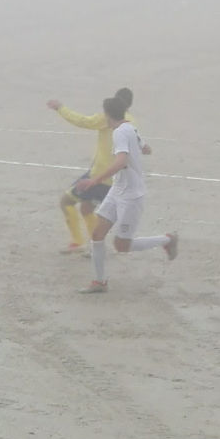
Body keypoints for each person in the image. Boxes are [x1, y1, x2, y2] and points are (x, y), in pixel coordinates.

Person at [75, 97, 178, 293]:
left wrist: (94, 180)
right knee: (97, 235)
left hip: (131, 196)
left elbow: (121, 161)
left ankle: (167, 239)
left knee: (122, 246)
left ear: (107, 114)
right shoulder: (130, 128)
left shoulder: (119, 133)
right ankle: (99, 282)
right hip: (117, 190)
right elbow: (146, 148)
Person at [48, 87, 139, 254]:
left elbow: (83, 121)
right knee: (86, 208)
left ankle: (85, 243)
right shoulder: (131, 122)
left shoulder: (109, 119)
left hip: (100, 176)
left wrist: (60, 108)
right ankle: (91, 245)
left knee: (66, 202)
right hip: (113, 177)